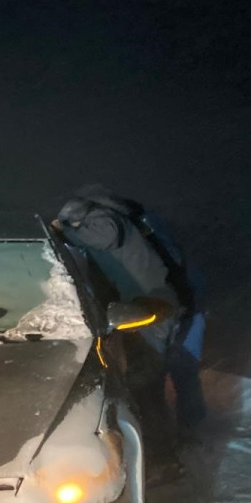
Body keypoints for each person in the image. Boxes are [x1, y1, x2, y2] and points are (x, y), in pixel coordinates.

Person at [54, 187, 207, 438]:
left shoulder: (104, 219)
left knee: (148, 378)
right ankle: (185, 430)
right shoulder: (110, 219)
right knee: (167, 370)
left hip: (155, 304)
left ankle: (166, 448)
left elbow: (106, 234)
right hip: (156, 300)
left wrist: (63, 229)